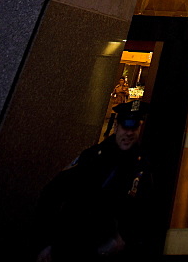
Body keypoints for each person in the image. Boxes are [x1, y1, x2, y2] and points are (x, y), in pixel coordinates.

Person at [34, 100, 152, 262]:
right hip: (73, 246)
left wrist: (124, 240)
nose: (129, 133)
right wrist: (45, 243)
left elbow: (142, 209)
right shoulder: (93, 157)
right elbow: (52, 194)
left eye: (134, 128)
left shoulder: (141, 165)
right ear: (117, 127)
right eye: (126, 127)